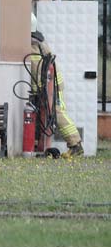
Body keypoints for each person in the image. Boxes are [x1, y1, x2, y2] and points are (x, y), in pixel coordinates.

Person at [28, 14, 83, 157]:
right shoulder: (38, 42)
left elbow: (38, 69)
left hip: (52, 86)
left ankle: (75, 144)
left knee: (57, 113)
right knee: (48, 114)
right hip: (47, 86)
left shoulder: (34, 44)